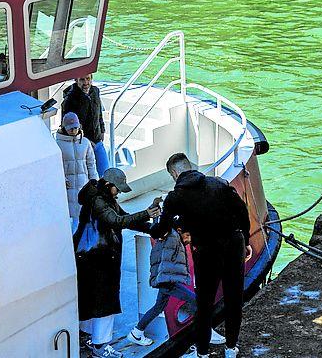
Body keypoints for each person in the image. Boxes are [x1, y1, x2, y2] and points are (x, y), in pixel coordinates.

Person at [152, 153, 250, 358]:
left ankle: (202, 353)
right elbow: (242, 212)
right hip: (234, 244)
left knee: (204, 304)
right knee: (234, 299)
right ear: (190, 167)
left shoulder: (175, 197)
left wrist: (152, 219)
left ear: (174, 173)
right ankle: (231, 349)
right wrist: (246, 241)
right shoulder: (219, 184)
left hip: (207, 251)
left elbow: (161, 230)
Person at [75, 168, 160, 358]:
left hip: (92, 256)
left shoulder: (101, 198)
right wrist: (147, 215)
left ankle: (92, 338)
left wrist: (152, 228)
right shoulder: (99, 200)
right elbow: (117, 221)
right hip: (99, 258)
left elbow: (124, 219)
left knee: (93, 301)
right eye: (117, 188)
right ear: (108, 185)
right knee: (105, 302)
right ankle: (100, 345)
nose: (119, 192)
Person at [127, 226, 199, 347]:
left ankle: (136, 332)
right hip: (168, 281)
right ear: (181, 231)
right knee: (196, 301)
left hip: (165, 279)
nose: (189, 240)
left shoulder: (172, 237)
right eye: (188, 235)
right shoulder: (173, 239)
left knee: (158, 307)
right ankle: (199, 334)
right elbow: (166, 259)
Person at [56, 111, 97, 229]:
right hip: (67, 187)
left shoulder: (85, 142)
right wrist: (62, 179)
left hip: (84, 185)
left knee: (85, 217)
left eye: (75, 127)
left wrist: (94, 181)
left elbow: (91, 163)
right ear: (64, 128)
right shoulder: (57, 144)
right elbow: (55, 166)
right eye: (70, 128)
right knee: (72, 220)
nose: (73, 130)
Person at [62, 73, 108, 175]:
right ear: (76, 80)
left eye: (88, 79)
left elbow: (99, 113)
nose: (86, 83)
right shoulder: (70, 99)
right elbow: (67, 125)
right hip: (82, 143)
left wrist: (102, 130)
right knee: (90, 175)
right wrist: (84, 140)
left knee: (105, 173)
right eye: (82, 80)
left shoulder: (95, 91)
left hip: (97, 139)